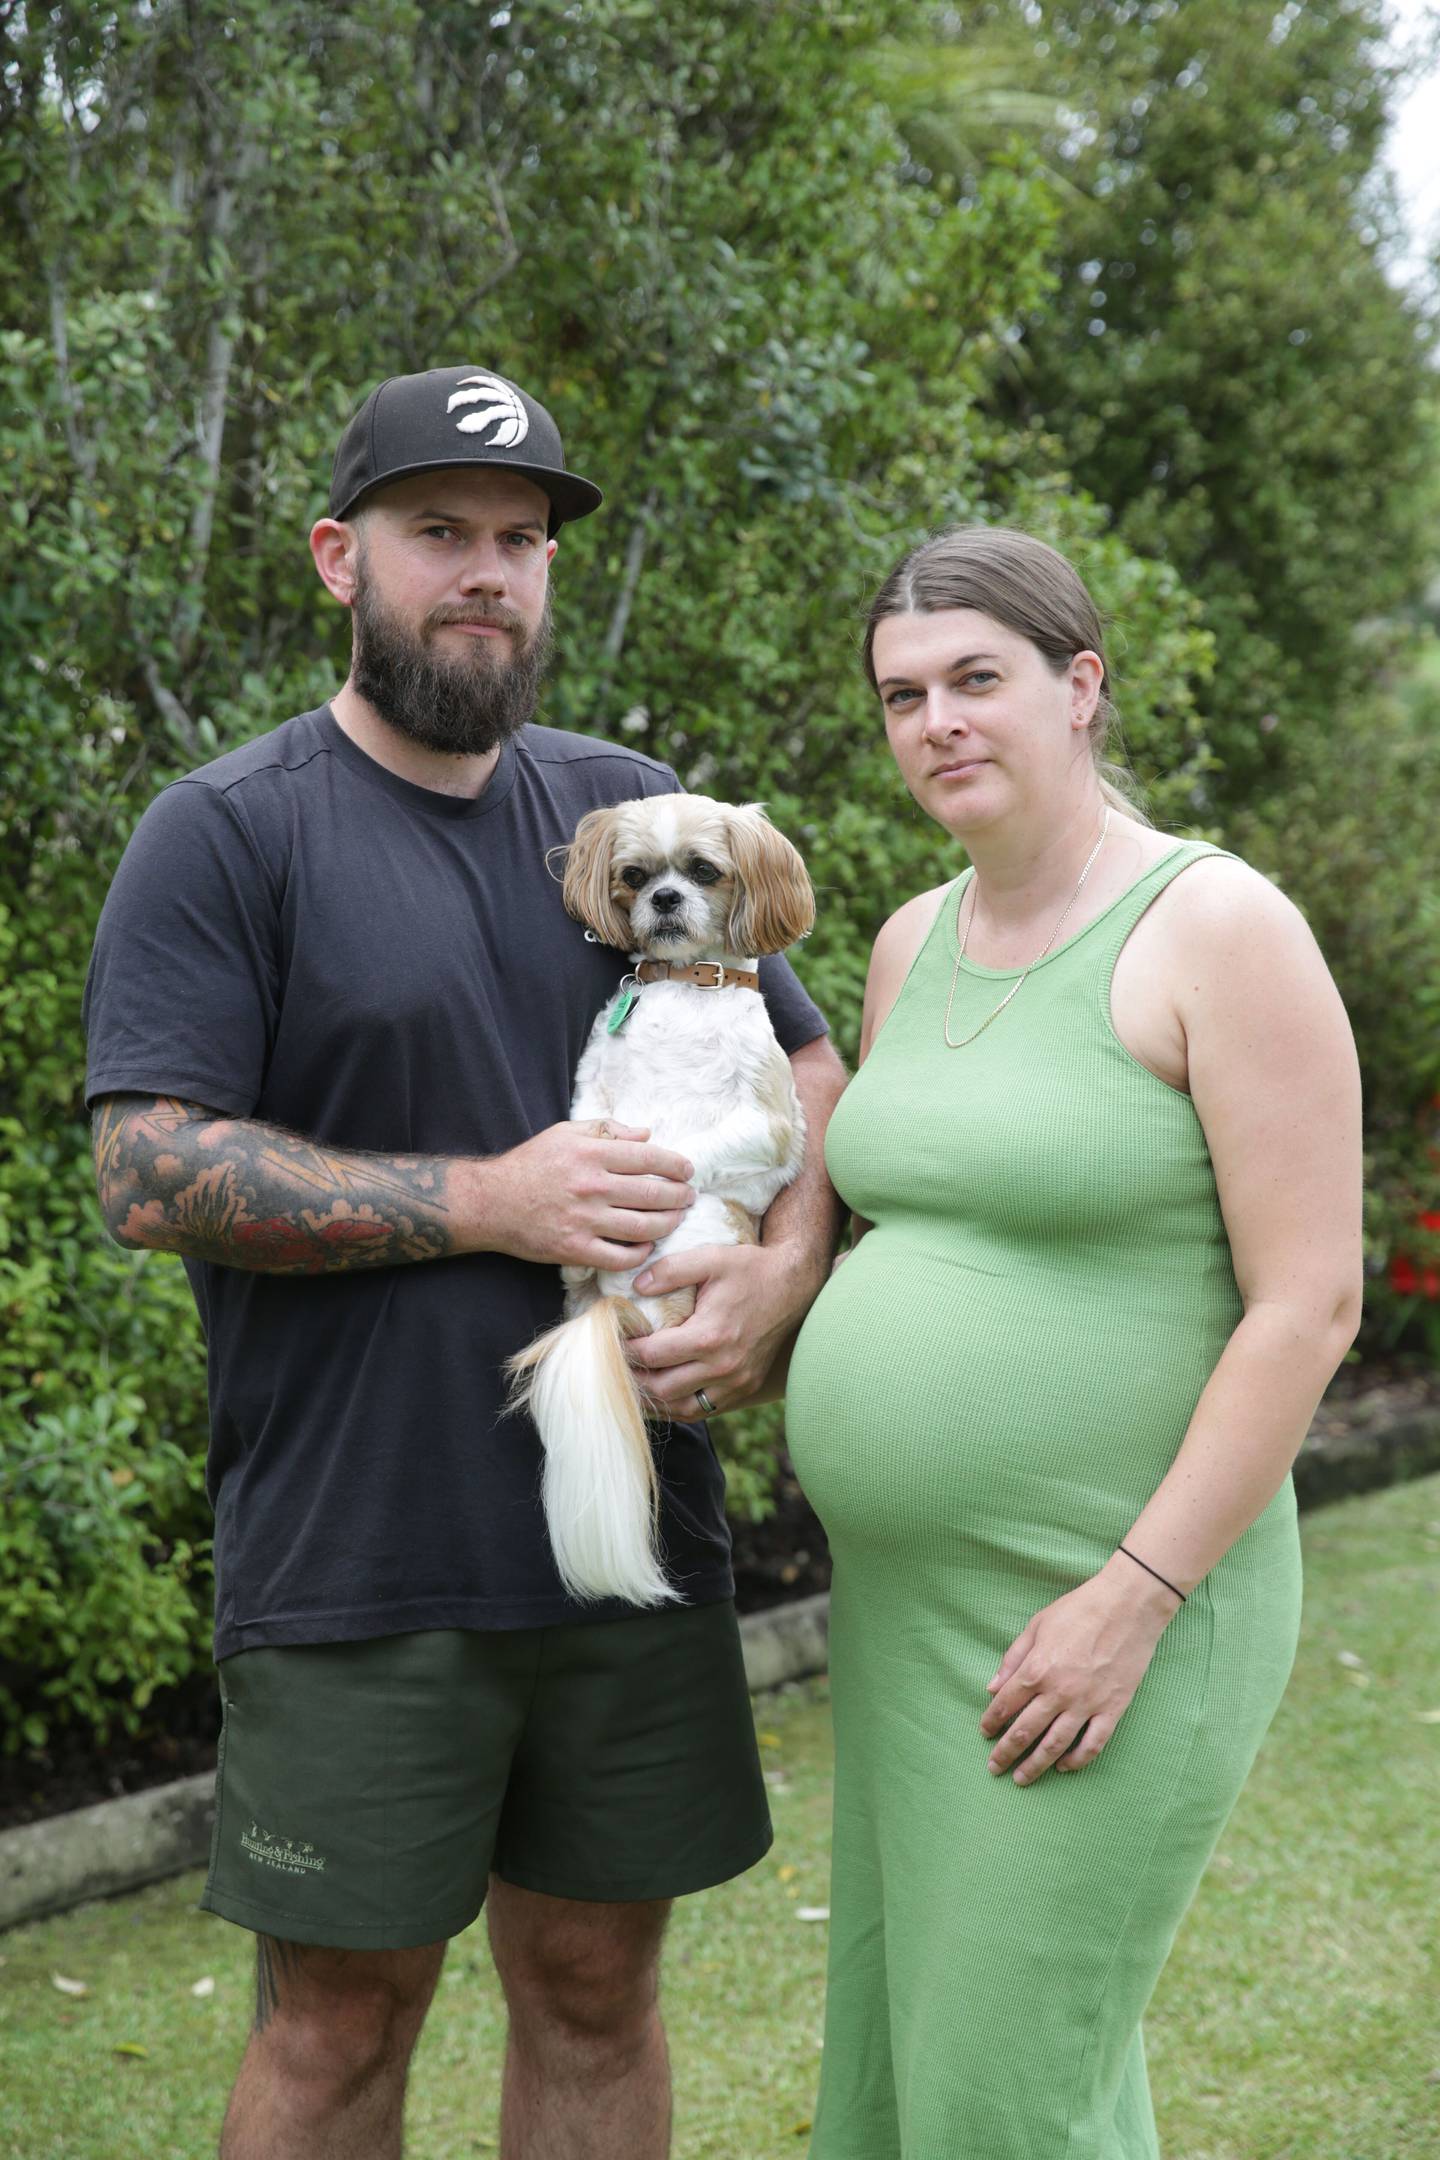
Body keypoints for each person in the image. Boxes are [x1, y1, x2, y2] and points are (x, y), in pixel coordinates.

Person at [82, 363, 846, 2160]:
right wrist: (486, 1202)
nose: (489, 571)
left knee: (595, 1988)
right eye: (441, 532)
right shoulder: (232, 830)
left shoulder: (631, 815)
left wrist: (786, 1272)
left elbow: (813, 1068)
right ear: (340, 557)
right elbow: (147, 1167)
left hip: (629, 1529)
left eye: (521, 538)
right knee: (341, 2020)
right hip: (364, 1546)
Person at [778, 526, 1362, 2158]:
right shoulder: (911, 941)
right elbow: (917, 1233)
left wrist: (1135, 1597)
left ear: (1081, 686)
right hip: (909, 1611)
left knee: (1005, 2091)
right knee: (900, 2073)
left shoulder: (1218, 927)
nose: (938, 723)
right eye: (904, 697)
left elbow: (1310, 1303)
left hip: (1114, 1605)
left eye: (977, 679)